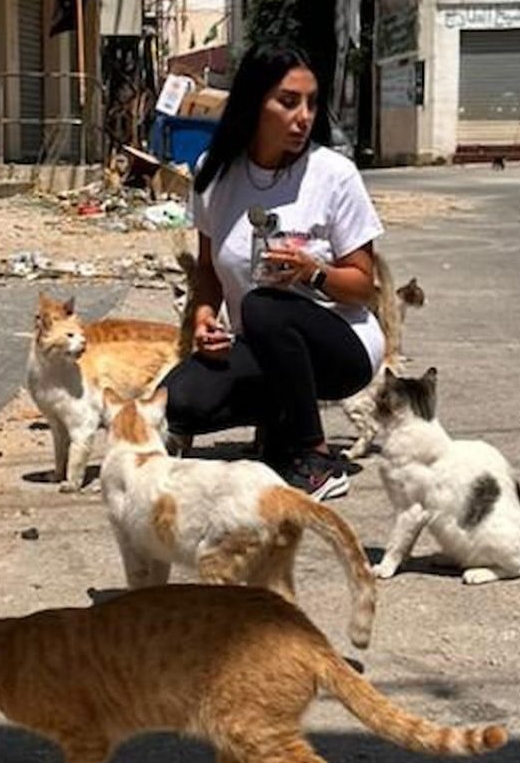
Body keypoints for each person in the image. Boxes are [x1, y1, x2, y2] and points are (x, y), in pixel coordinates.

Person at [162, 45, 386, 501]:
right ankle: (279, 424)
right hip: (260, 341)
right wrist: (206, 317)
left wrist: (314, 273)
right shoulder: (215, 173)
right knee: (178, 404)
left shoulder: (334, 174)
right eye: (288, 102)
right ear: (252, 104)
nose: (303, 117)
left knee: (264, 305)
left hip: (343, 344)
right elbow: (207, 269)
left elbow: (364, 288)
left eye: (311, 103)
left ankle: (314, 456)